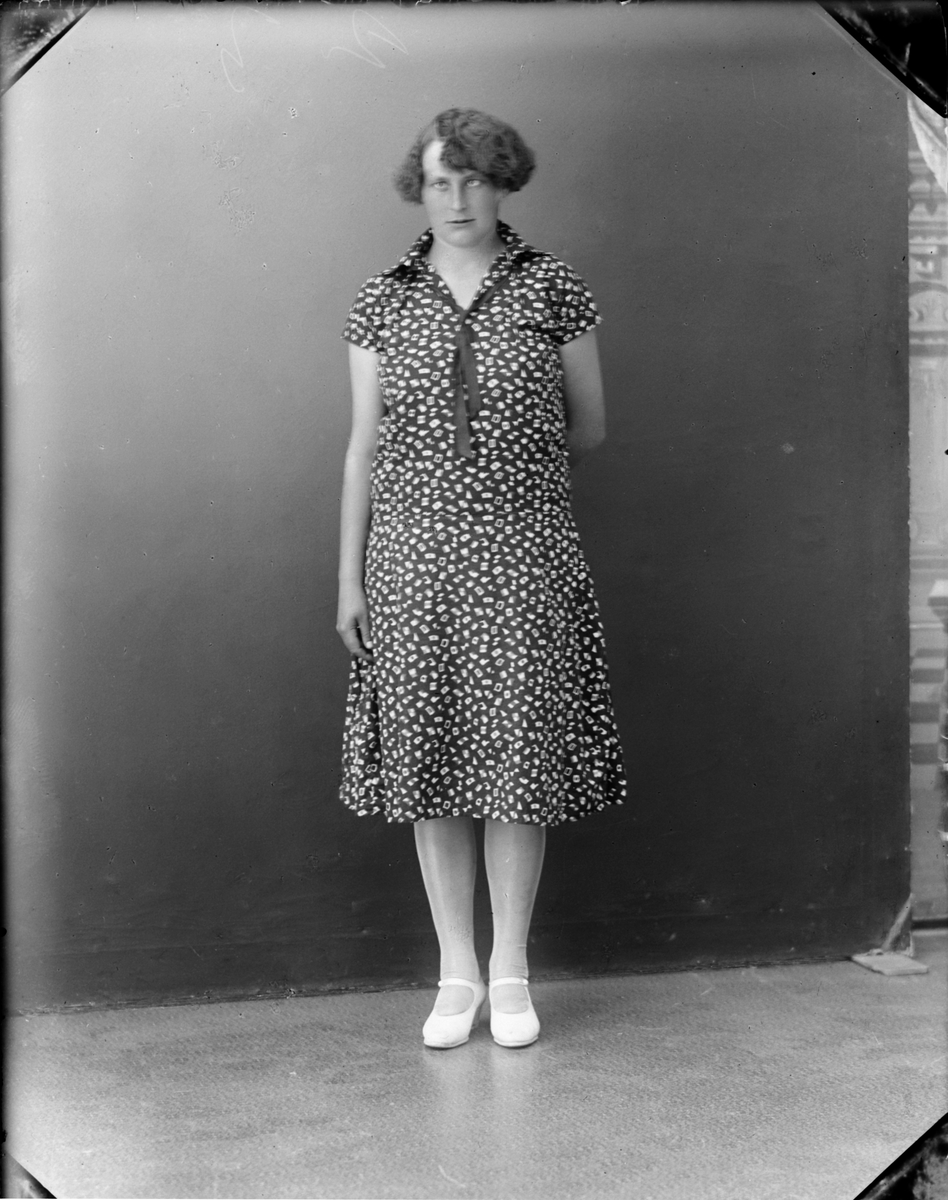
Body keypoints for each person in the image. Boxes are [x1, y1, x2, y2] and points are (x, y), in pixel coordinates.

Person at [336, 108, 626, 1049]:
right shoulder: (383, 299)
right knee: (429, 768)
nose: (456, 199)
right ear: (418, 190)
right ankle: (456, 971)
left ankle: (511, 971)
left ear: (504, 182)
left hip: (524, 559)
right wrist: (350, 582)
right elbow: (363, 447)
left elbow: (590, 427)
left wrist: (507, 492)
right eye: (438, 182)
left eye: (473, 179)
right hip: (411, 564)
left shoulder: (552, 286)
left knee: (518, 767)